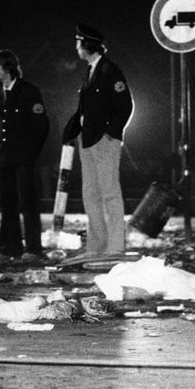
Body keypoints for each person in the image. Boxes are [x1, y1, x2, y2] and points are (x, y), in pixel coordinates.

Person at [62, 25, 133, 257]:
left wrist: (111, 133)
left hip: (104, 141)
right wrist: (73, 128)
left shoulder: (110, 71)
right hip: (88, 139)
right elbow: (87, 107)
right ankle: (96, 246)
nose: (76, 47)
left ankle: (115, 247)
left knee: (110, 194)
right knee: (90, 194)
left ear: (87, 45)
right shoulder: (90, 71)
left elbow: (125, 106)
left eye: (78, 42)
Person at [0, 49, 50, 261]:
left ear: (8, 70)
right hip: (4, 157)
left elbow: (41, 126)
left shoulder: (28, 92)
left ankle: (33, 249)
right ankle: (9, 247)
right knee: (7, 203)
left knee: (28, 203)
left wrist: (31, 153)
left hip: (24, 157)